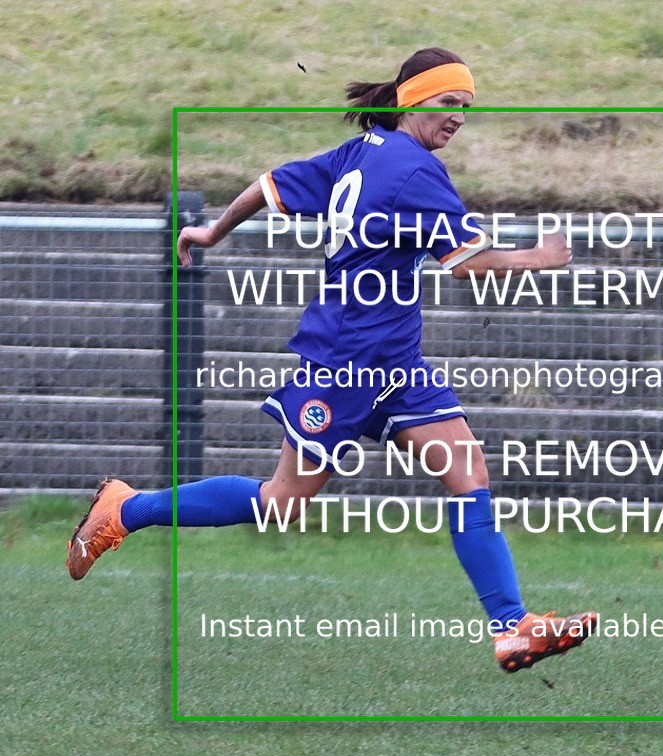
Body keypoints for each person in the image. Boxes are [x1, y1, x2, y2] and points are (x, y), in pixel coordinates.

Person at [66, 47, 596, 673]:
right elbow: (468, 263)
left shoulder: (363, 152)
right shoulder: (412, 170)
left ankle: (512, 627)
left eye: (465, 107)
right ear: (410, 99)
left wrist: (213, 232)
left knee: (467, 473)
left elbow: (270, 186)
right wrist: (542, 257)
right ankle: (126, 510)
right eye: (448, 103)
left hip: (394, 362)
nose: (458, 117)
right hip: (345, 364)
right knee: (283, 500)